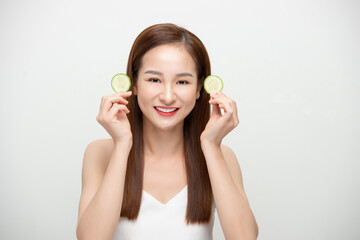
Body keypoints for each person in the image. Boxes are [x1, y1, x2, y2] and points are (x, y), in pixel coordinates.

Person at [76, 23, 258, 240]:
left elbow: (244, 237)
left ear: (199, 88)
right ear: (133, 83)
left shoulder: (222, 156)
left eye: (182, 81)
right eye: (154, 79)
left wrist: (211, 146)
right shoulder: (100, 153)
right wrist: (122, 145)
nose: (168, 96)